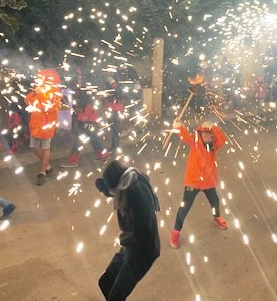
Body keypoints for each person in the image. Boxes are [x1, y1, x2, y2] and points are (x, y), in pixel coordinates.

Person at [95, 160, 160, 300]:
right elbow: (113, 191)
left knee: (116, 296)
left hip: (143, 251)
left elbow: (144, 231)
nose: (112, 194)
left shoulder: (137, 194)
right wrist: (102, 186)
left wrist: (124, 239)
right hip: (130, 246)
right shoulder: (126, 182)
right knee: (105, 282)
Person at [169, 119, 228, 249]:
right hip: (193, 182)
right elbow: (185, 136)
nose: (205, 137)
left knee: (215, 201)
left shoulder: (214, 146)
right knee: (185, 207)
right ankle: (175, 232)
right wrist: (179, 127)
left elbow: (222, 138)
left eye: (209, 135)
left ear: (213, 137)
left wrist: (213, 127)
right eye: (203, 134)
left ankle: (216, 217)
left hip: (208, 182)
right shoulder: (195, 143)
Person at [25, 68, 62, 186]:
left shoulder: (55, 94)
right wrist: (35, 93)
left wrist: (43, 100)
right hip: (35, 126)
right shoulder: (37, 91)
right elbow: (27, 100)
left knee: (45, 149)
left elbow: (52, 108)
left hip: (46, 127)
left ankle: (42, 173)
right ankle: (48, 167)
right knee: (34, 147)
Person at [61, 86, 109, 167]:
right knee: (93, 139)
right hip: (90, 123)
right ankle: (103, 154)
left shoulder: (88, 103)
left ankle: (73, 160)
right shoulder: (91, 100)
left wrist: (80, 118)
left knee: (79, 141)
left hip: (87, 123)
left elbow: (84, 117)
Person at [104, 76, 126, 153]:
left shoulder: (117, 88)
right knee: (113, 129)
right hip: (113, 111)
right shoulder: (112, 88)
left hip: (115, 111)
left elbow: (117, 95)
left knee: (114, 130)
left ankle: (115, 146)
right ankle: (115, 145)